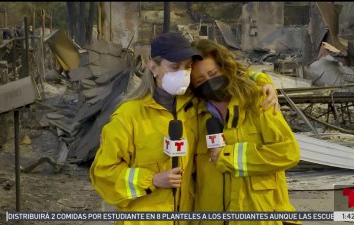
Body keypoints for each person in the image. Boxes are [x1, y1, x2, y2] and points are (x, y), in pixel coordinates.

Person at [90, 32, 279, 225]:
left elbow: (226, 71)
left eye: (188, 67)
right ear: (153, 66)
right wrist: (152, 179)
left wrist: (263, 82)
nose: (183, 73)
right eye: (175, 67)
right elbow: (103, 174)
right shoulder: (128, 116)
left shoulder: (192, 108)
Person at [190, 39, 301, 225]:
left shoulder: (259, 102)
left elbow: (289, 152)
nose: (210, 82)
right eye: (201, 81)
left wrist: (229, 157)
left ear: (225, 69)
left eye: (213, 73)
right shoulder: (193, 115)